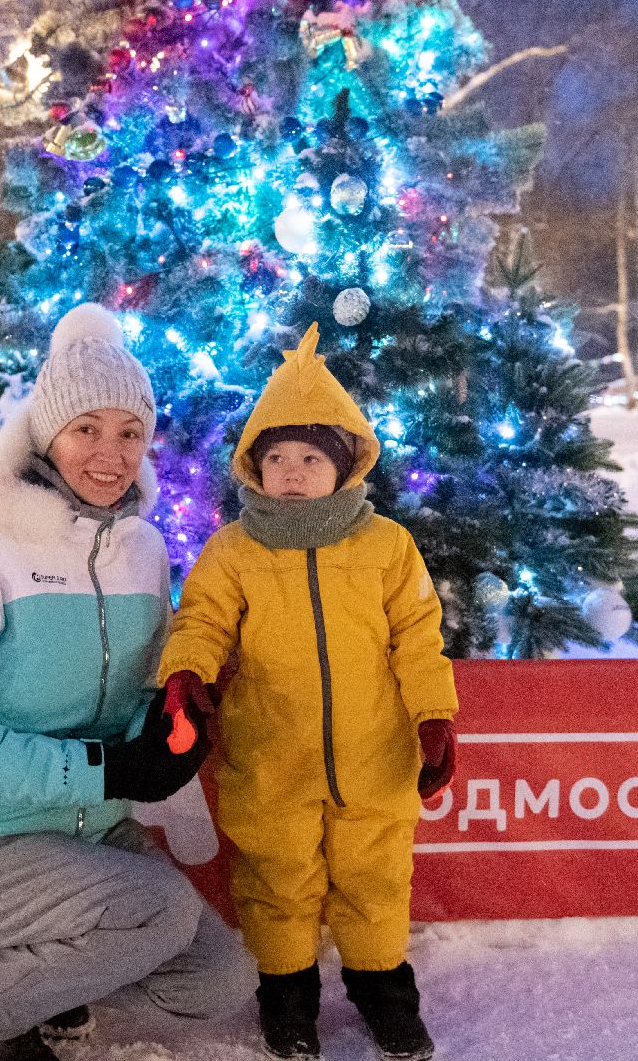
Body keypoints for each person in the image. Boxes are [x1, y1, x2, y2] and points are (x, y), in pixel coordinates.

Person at [0, 303, 255, 1061]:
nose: (110, 455)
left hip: (90, 833)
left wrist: (168, 729)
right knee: (157, 910)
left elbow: (143, 692)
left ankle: (54, 977)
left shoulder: (142, 549)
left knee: (217, 980)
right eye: (86, 428)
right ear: (47, 433)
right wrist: (109, 770)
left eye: (130, 433)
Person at [157, 324, 459, 1061]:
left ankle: (384, 993)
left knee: (374, 878)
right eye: (277, 458)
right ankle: (287, 999)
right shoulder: (234, 549)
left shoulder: (386, 545)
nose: (292, 472)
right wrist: (187, 674)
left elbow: (418, 636)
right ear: (254, 466)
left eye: (311, 458)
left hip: (374, 754)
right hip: (272, 754)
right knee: (276, 878)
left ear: (344, 464)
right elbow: (202, 620)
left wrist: (433, 716)